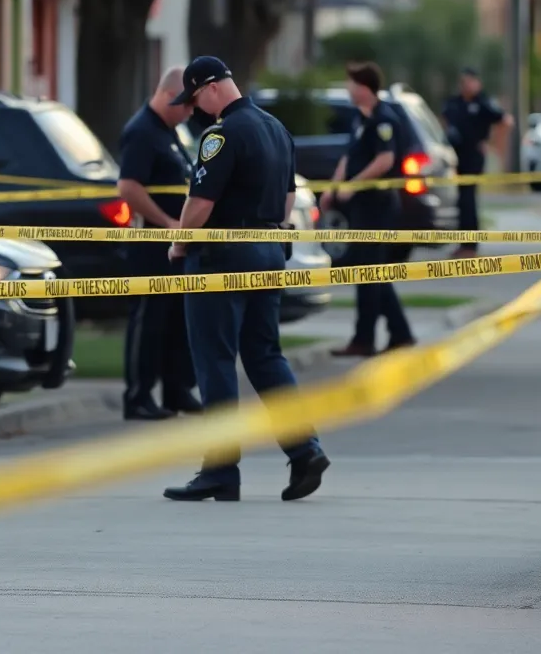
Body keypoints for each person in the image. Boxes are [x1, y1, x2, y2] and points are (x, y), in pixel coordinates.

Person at [161, 56, 330, 503]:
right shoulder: (278, 130)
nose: (197, 109)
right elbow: (288, 201)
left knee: (214, 359)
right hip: (269, 254)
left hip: (220, 259)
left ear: (212, 87)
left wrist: (180, 244)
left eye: (196, 98)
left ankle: (220, 469)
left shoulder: (220, 135)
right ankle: (304, 450)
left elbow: (200, 203)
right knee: (265, 355)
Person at [117, 65, 203, 421]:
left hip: (174, 246)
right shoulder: (142, 131)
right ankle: (138, 395)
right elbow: (129, 188)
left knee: (176, 322)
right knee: (149, 321)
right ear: (169, 95)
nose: (189, 113)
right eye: (185, 105)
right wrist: (166, 222)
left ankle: (176, 389)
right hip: (152, 244)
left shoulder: (169, 132)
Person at [320, 61, 415, 357]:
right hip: (362, 207)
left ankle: (365, 339)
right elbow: (349, 157)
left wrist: (355, 184)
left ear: (364, 87)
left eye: (351, 84)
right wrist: (334, 187)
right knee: (369, 272)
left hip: (378, 207)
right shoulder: (360, 118)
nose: (348, 89)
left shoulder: (384, 119)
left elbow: (385, 160)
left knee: (368, 272)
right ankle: (400, 334)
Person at [441, 67, 514, 258]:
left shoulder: (483, 103)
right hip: (456, 156)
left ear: (477, 83)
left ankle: (470, 246)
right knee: (461, 201)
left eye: (470, 81)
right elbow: (445, 121)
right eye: (463, 82)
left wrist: (491, 144)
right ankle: (463, 243)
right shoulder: (454, 103)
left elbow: (506, 121)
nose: (466, 85)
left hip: (473, 156)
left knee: (468, 200)